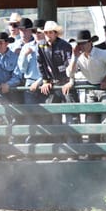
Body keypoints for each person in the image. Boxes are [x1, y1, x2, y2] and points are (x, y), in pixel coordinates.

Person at [37, 20, 80, 151]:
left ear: (56, 33)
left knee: (71, 117)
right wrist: (45, 80)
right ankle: (60, 149)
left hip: (66, 83)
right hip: (54, 84)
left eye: (50, 32)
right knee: (53, 117)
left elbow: (69, 65)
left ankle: (74, 149)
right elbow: (41, 64)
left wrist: (70, 80)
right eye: (46, 32)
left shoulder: (64, 45)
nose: (48, 35)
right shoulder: (41, 46)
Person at [67, 29, 106, 144]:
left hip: (104, 89)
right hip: (90, 89)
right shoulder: (78, 57)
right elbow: (70, 73)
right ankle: (94, 152)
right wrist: (74, 57)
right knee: (91, 123)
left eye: (83, 43)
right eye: (79, 43)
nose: (81, 46)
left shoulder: (103, 53)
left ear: (90, 42)